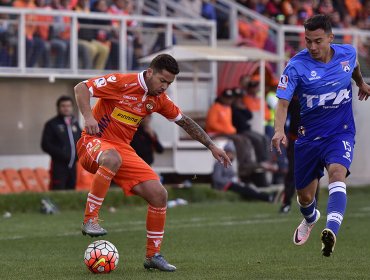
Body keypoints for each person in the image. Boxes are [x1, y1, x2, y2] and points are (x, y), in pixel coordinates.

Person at [74, 54, 231, 272]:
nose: (164, 87)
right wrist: (88, 116)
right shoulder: (122, 82)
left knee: (159, 194)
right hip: (93, 142)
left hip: (122, 151)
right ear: (150, 73)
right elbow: (81, 87)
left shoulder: (158, 99)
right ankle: (90, 219)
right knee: (112, 157)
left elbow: (184, 121)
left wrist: (212, 146)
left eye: (169, 83)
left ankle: (153, 255)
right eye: (162, 81)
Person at [271, 14, 370, 257]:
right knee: (305, 197)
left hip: (340, 132)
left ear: (330, 38)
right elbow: (282, 104)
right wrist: (278, 130)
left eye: (318, 41)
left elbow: (354, 67)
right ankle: (311, 217)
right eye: (308, 41)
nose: (313, 47)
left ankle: (331, 230)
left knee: (337, 173)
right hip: (308, 138)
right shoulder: (295, 66)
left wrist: (361, 84)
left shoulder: (347, 53)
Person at [212, 141, 277, 203]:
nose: (232, 155)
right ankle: (267, 197)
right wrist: (230, 181)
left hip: (232, 184)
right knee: (246, 190)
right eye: (231, 153)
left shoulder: (229, 163)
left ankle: (266, 196)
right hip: (225, 186)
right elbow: (217, 178)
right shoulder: (219, 163)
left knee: (248, 188)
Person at [41, 96, 82, 190]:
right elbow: (45, 144)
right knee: (58, 190)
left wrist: (78, 155)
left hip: (73, 166)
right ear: (58, 108)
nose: (66, 108)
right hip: (59, 166)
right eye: (63, 106)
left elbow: (81, 140)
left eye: (68, 106)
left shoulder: (74, 123)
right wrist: (63, 154)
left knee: (71, 191)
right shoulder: (52, 124)